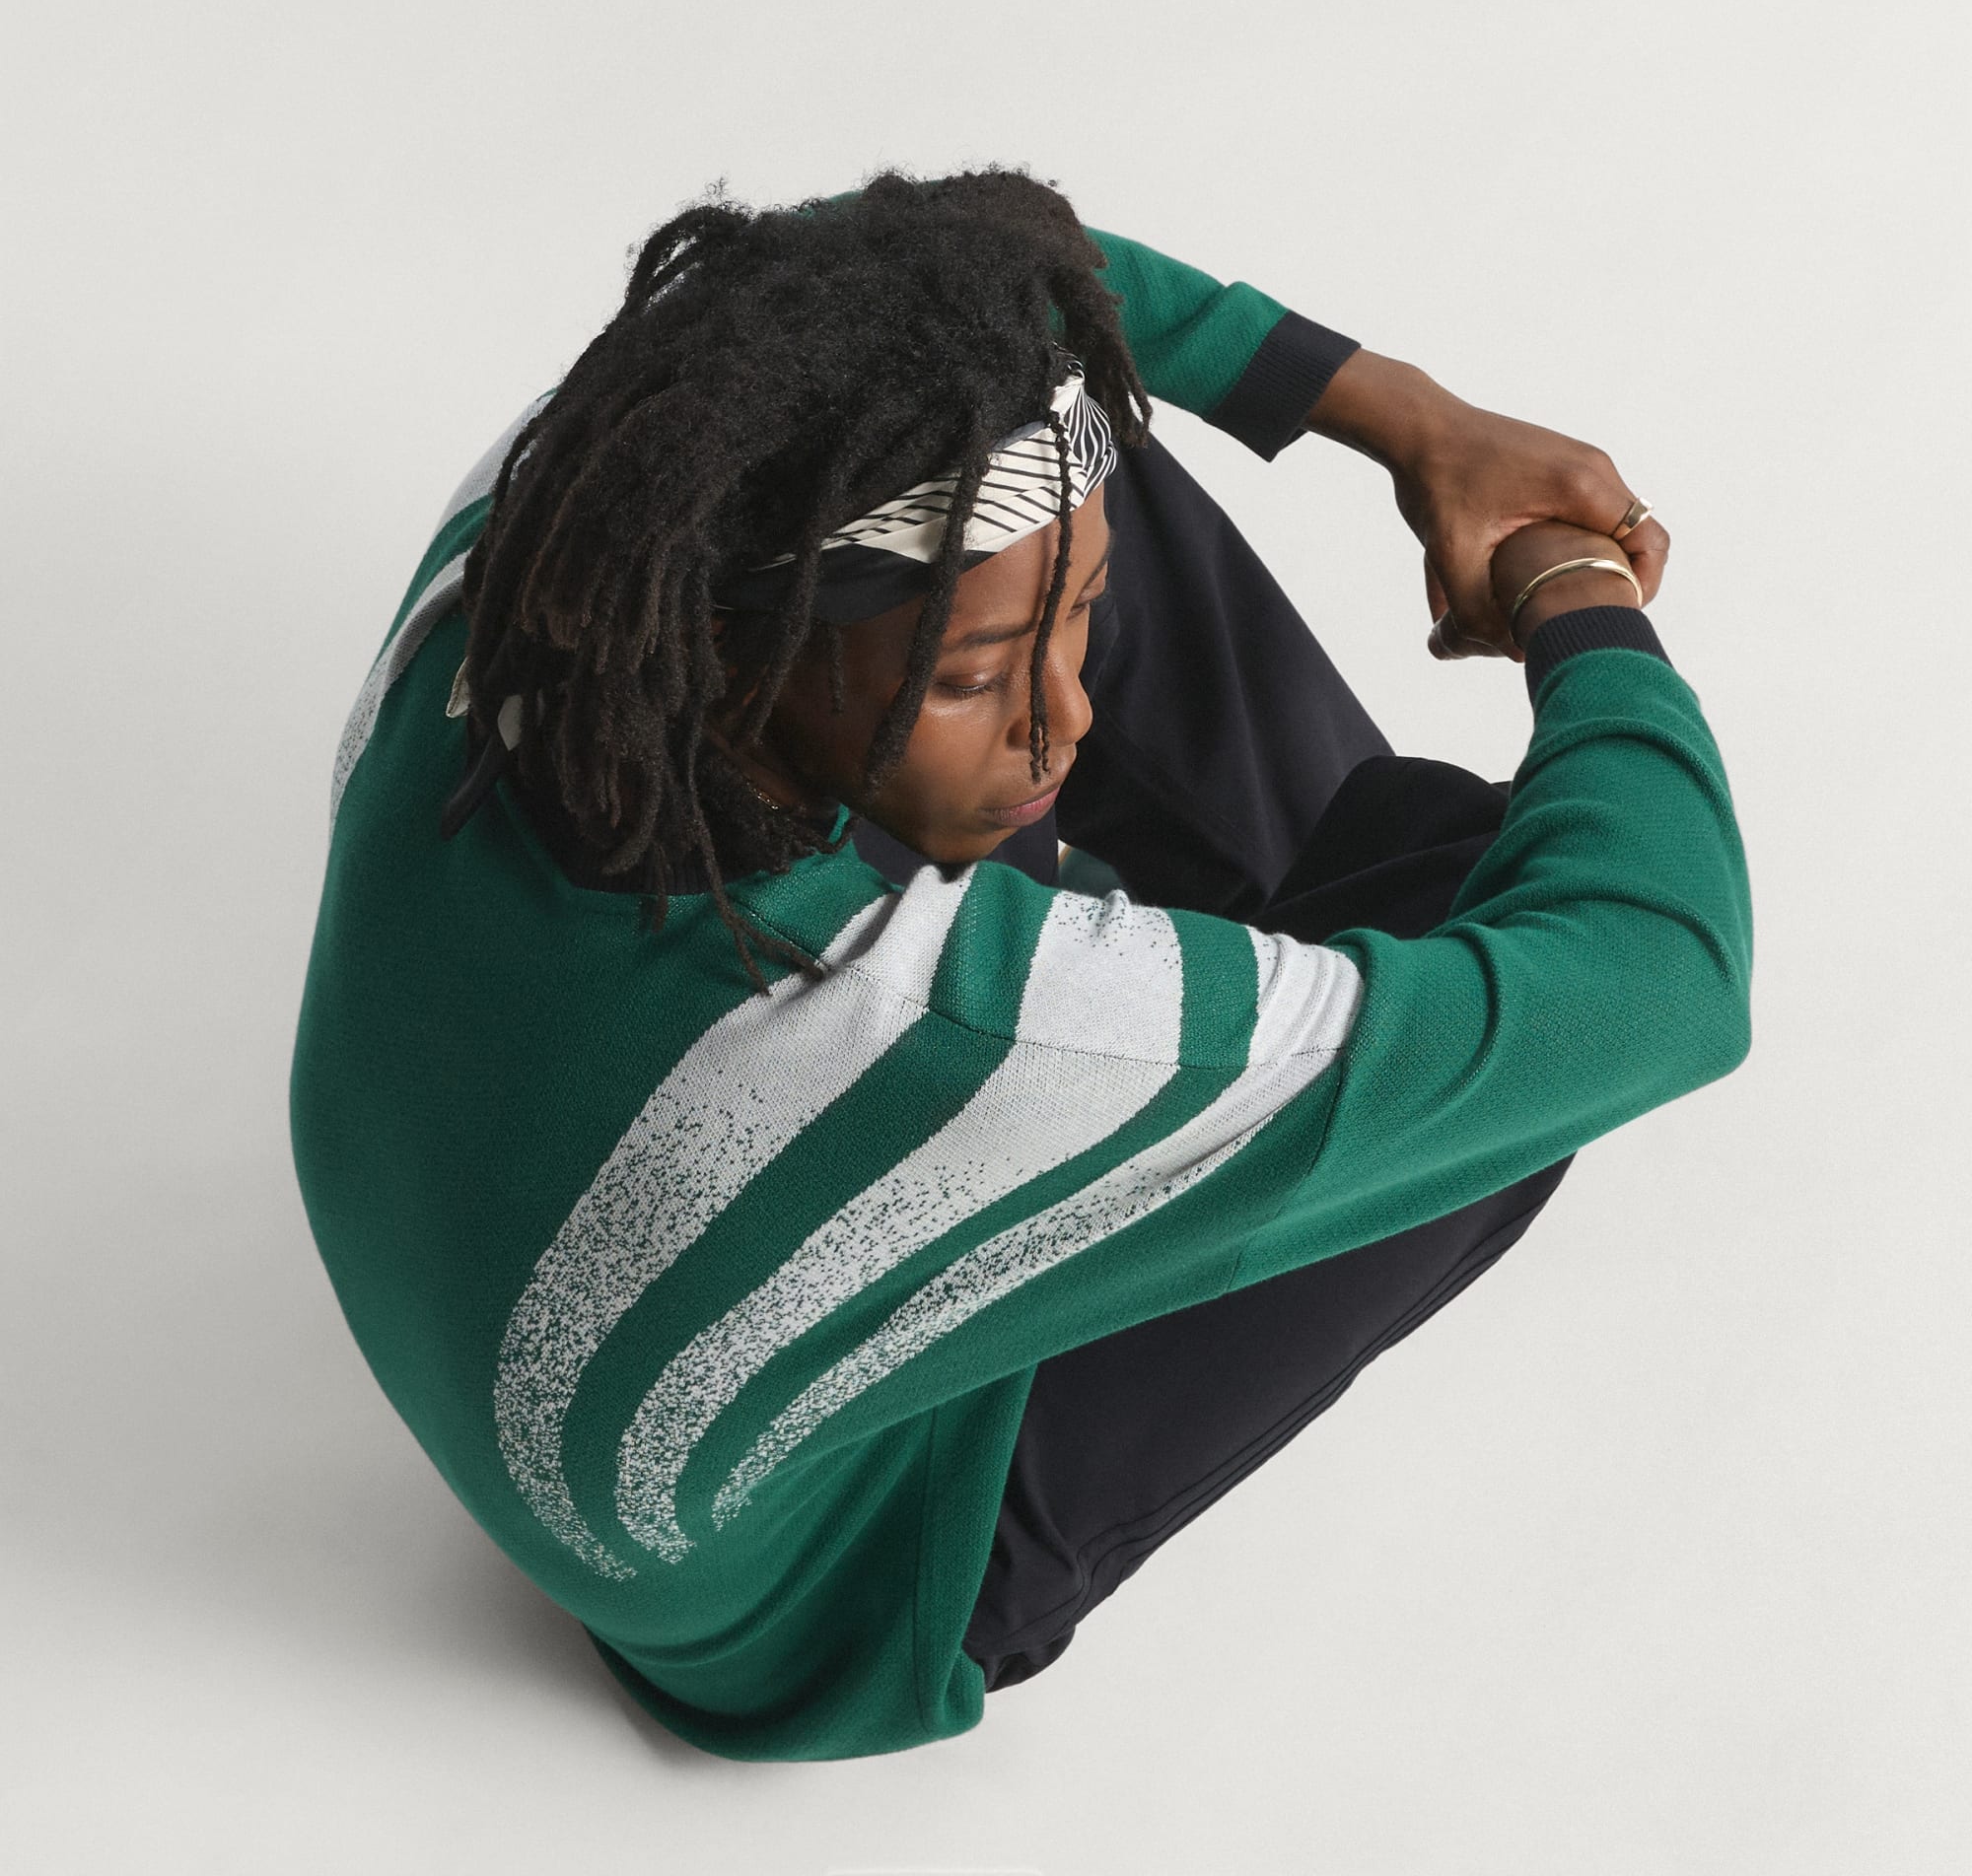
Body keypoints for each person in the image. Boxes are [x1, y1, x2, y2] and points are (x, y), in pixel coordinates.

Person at [290, 170, 1752, 1762]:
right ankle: (1293, 1014)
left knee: (1026, 444)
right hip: (823, 1602)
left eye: (1080, 634)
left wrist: (1416, 421)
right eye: (976, 681)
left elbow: (957, 282)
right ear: (719, 642)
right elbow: (1660, 980)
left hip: (497, 1209)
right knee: (1482, 926)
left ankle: (1228, 903)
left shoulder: (567, 516)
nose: (1070, 717)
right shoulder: (901, 1022)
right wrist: (1574, 594)